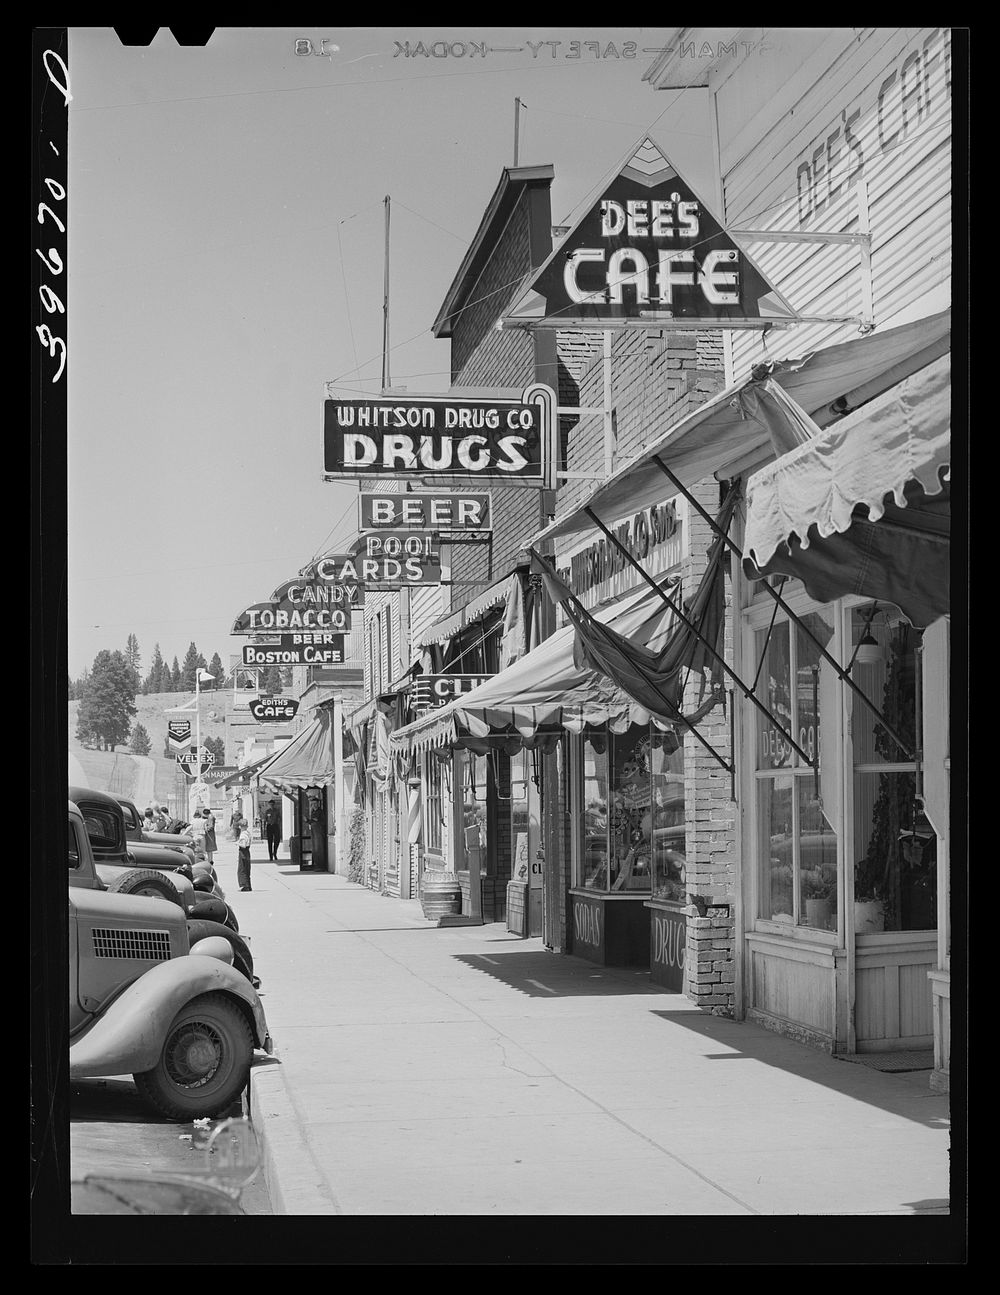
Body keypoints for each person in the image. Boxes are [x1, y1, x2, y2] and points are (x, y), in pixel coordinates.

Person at [237, 817, 252, 891]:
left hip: (243, 852)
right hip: (247, 852)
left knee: (242, 869)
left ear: (240, 826)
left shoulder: (243, 834)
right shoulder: (248, 833)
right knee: (247, 869)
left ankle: (244, 885)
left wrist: (238, 843)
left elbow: (243, 844)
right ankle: (248, 885)